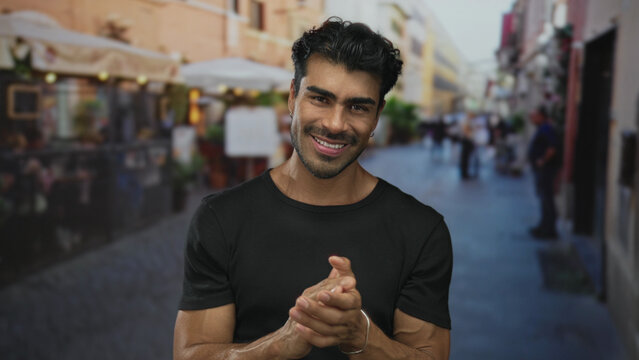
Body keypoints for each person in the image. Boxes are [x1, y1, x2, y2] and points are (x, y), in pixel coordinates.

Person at [173, 17, 453, 360]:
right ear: (293, 96)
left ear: (377, 115)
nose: (335, 124)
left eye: (358, 106)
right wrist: (279, 344)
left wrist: (359, 335)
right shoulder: (220, 219)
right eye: (320, 99)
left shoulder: (421, 231)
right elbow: (191, 355)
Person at [527, 106, 560, 239]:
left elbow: (552, 148)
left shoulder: (547, 128)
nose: (532, 119)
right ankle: (543, 226)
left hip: (546, 170)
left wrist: (542, 160)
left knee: (547, 199)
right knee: (543, 199)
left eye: (534, 116)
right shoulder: (543, 128)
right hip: (542, 170)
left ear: (541, 116)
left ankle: (549, 230)